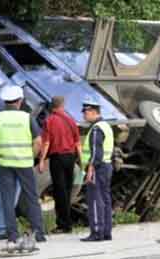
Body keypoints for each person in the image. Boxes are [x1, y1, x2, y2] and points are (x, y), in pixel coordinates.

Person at [0, 84, 46, 250]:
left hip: (5, 164)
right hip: (24, 164)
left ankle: (12, 235)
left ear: (5, 102)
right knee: (31, 197)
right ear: (20, 101)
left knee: (7, 200)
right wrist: (31, 155)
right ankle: (38, 233)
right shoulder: (27, 118)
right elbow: (38, 142)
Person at [39, 96, 81, 234]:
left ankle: (64, 224)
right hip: (70, 158)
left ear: (52, 106)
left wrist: (41, 160)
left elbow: (46, 143)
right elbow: (77, 143)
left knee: (59, 191)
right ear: (63, 105)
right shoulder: (71, 120)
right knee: (67, 190)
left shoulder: (49, 121)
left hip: (57, 158)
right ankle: (67, 222)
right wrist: (82, 161)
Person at [80, 97, 114, 242]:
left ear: (93, 112)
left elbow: (96, 152)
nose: (84, 115)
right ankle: (106, 232)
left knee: (95, 200)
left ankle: (96, 232)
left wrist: (90, 170)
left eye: (85, 112)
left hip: (97, 168)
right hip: (106, 166)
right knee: (105, 199)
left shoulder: (96, 129)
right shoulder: (106, 125)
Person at [0, 165, 21, 240]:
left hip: (3, 168)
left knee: (0, 200)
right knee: (8, 200)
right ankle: (1, 230)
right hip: (11, 168)